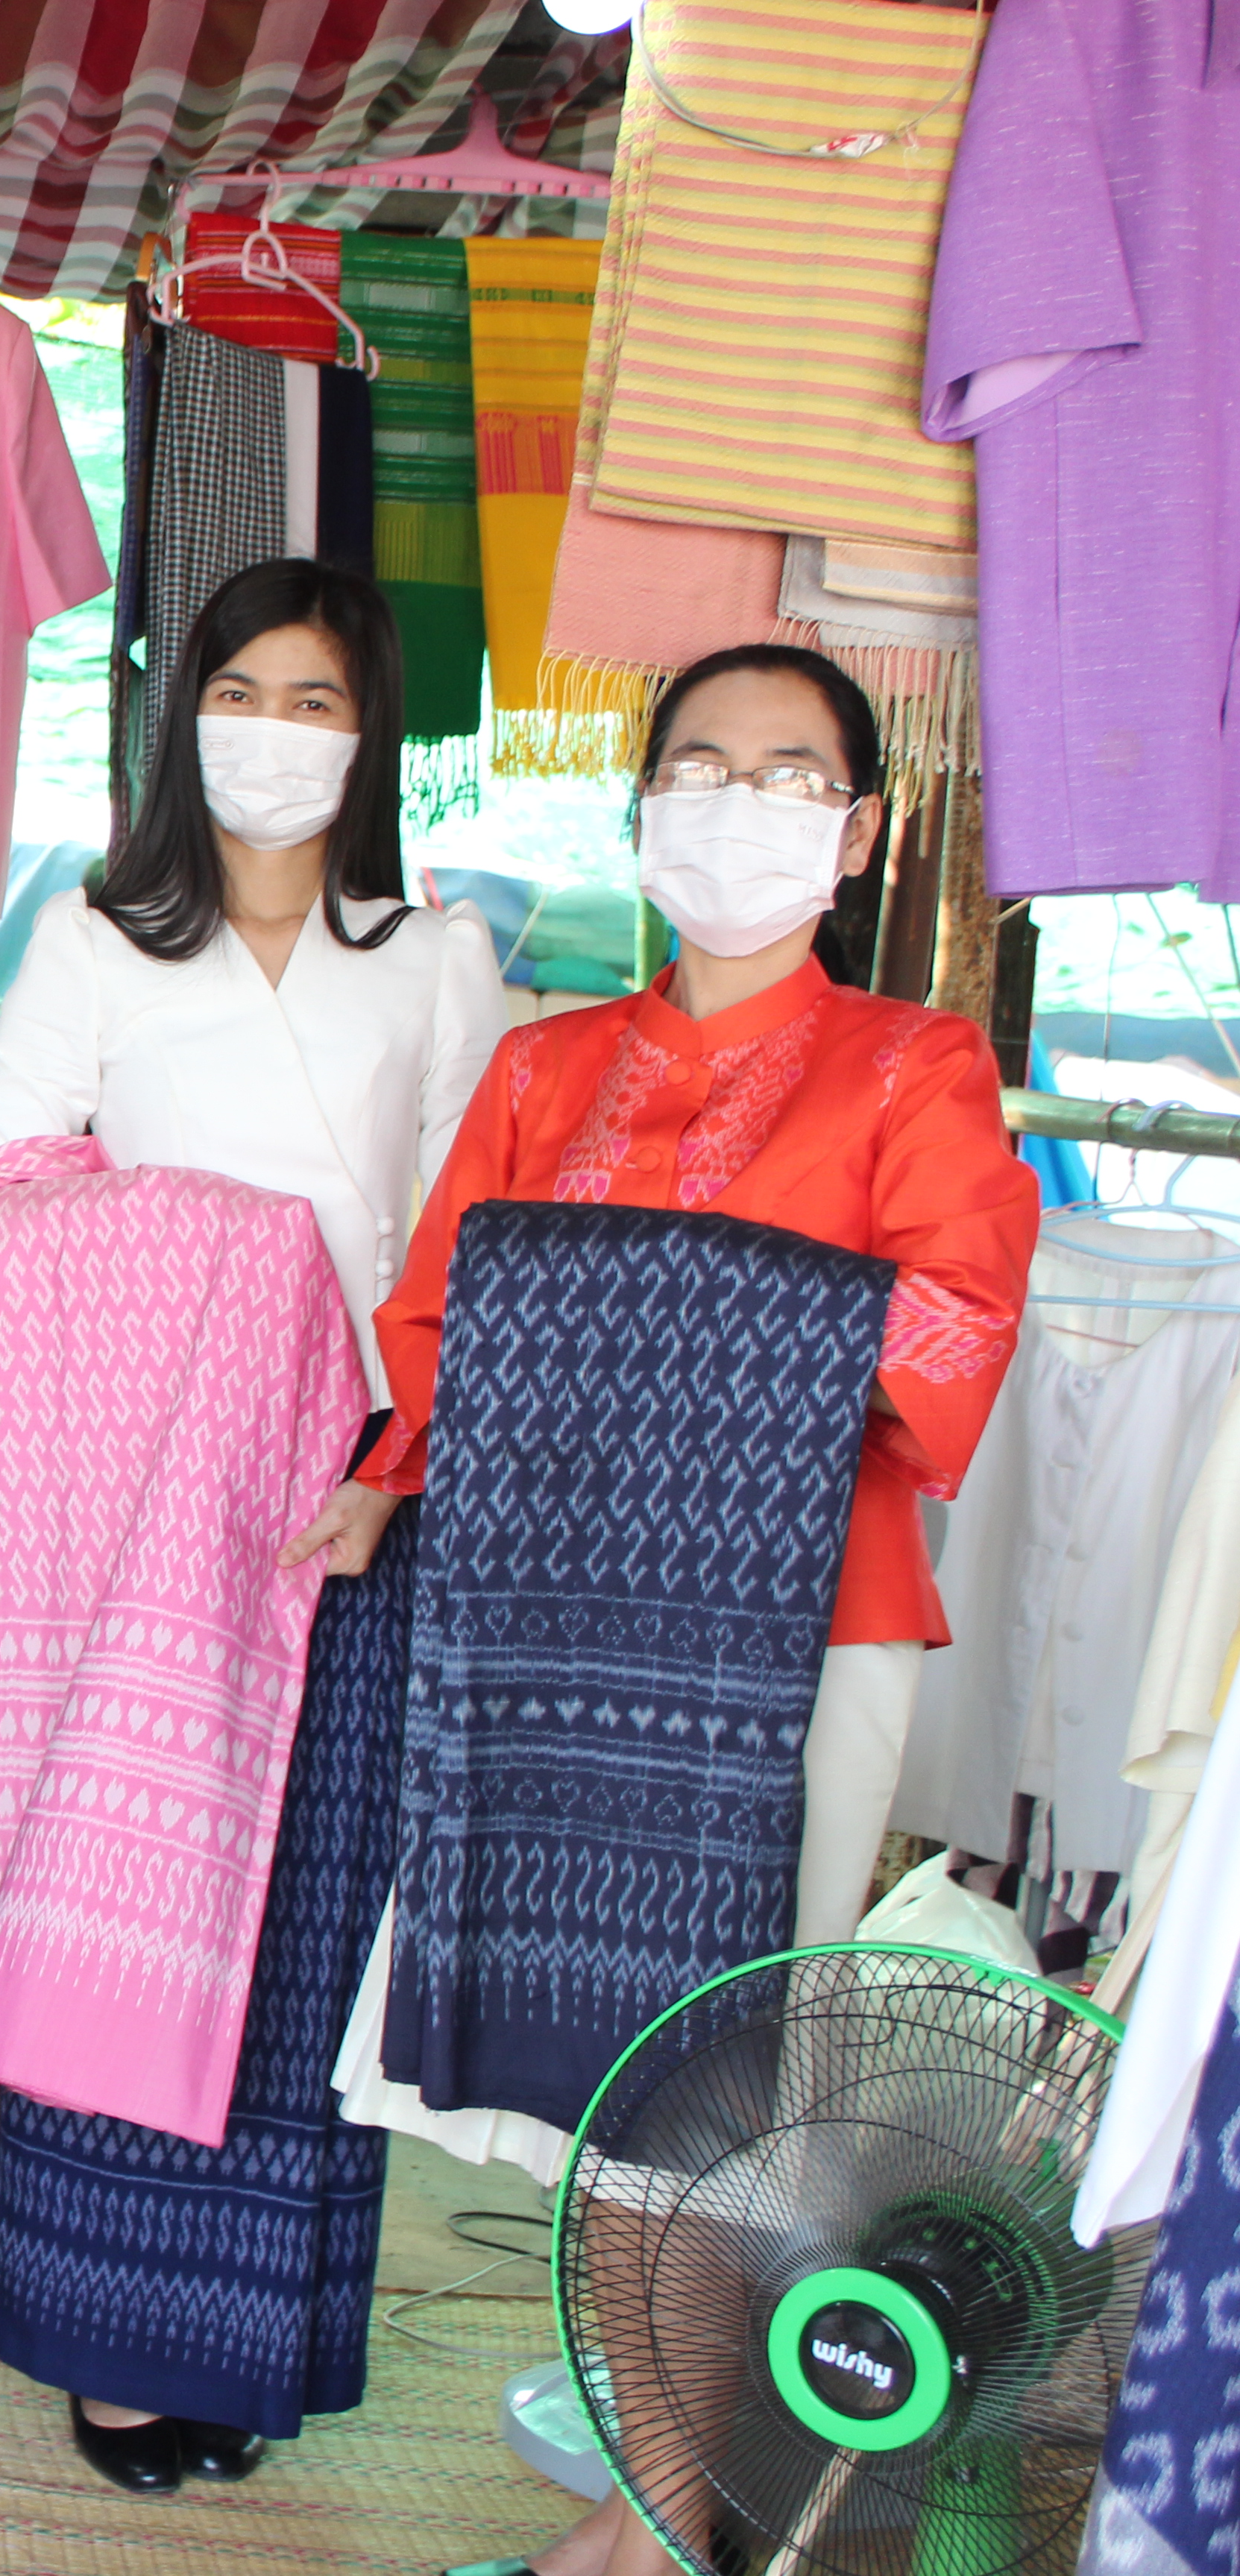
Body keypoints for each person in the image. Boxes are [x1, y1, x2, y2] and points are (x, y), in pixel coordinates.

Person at [300, 642, 1036, 2576]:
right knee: (598, 2112)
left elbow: (955, 1336)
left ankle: (655, 2534)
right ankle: (650, 2522)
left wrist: (662, 1318)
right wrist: (383, 1491)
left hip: (800, 1643)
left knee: (718, 2099)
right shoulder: (544, 1066)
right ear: (642, 809)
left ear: (858, 831)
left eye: (791, 774)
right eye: (700, 765)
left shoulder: (917, 1066)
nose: (739, 802)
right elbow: (440, 1313)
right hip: (536, 1631)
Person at [0, 558, 505, 2493]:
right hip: (152, 1503)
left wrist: (389, 1462)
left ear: (378, 735)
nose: (277, 730)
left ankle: (242, 2347)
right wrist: (236, 1267)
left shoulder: (437, 960)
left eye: (319, 698)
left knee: (295, 1932)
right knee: (131, 1913)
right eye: (242, 689)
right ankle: (108, 2343)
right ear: (184, 716)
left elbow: (462, 1244)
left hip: (351, 1494)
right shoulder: (100, 942)